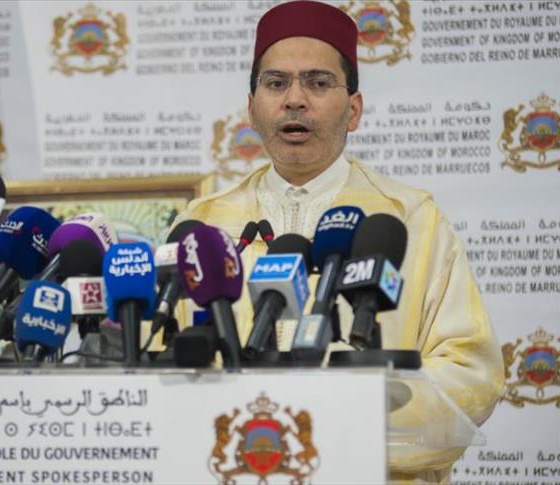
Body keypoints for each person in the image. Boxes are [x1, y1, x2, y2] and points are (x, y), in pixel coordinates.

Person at [175, 1, 504, 481]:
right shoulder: (202, 225)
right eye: (276, 83)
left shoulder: (411, 218)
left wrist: (338, 418)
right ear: (251, 108)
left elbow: (470, 373)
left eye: (318, 82)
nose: (294, 99)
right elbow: (157, 363)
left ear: (353, 110)